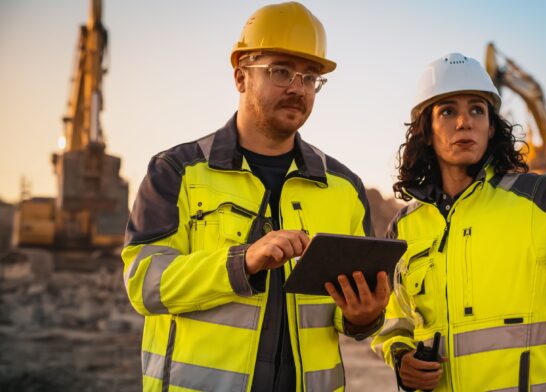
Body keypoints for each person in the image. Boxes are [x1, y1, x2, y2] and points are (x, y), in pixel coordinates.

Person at [122, 3, 390, 391]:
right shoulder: (178, 171)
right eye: (281, 71)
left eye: (311, 77)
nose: (298, 88)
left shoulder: (344, 188)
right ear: (240, 76)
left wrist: (363, 317)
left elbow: (343, 314)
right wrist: (241, 262)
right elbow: (144, 284)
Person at [372, 33, 546, 391]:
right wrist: (401, 357)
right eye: (448, 110)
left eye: (476, 110)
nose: (464, 122)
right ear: (427, 132)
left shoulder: (536, 200)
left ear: (491, 127)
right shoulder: (404, 227)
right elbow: (396, 318)